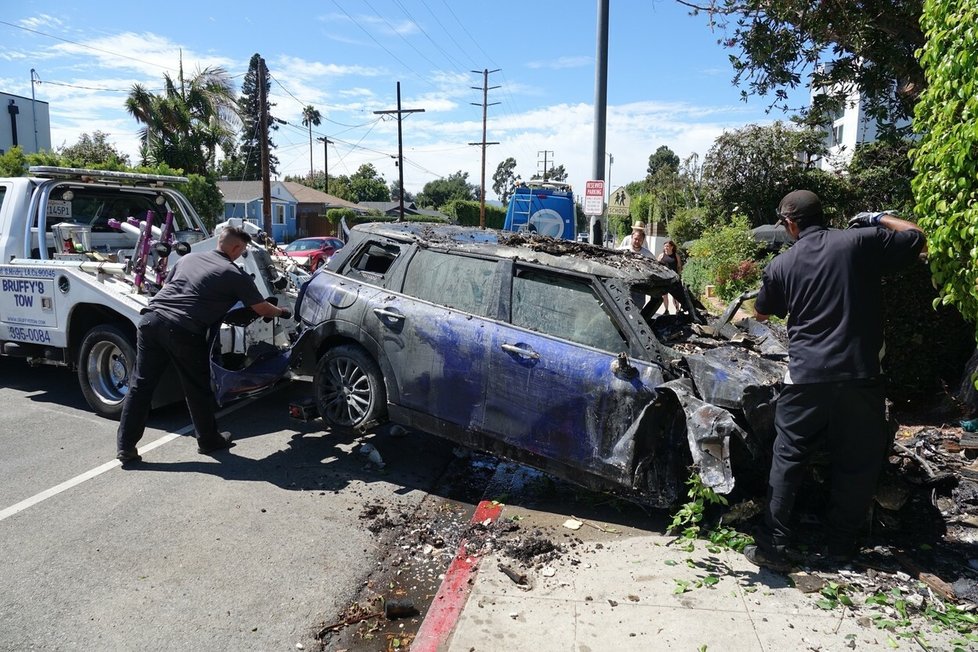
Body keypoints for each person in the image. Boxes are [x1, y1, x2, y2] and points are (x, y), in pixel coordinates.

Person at [742, 190, 926, 572]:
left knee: (788, 457)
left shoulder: (782, 263)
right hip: (861, 376)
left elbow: (761, 313)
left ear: (791, 224)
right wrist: (877, 218)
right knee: (857, 463)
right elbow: (915, 235)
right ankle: (841, 547)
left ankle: (775, 547)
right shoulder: (860, 240)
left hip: (807, 377)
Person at [116, 226, 290, 464]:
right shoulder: (232, 273)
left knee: (141, 386)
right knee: (196, 387)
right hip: (182, 330)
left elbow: (171, 288)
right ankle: (208, 440)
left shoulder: (188, 258)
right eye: (242, 250)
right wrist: (282, 311)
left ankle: (126, 447)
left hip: (151, 320)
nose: (241, 254)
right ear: (236, 247)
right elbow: (260, 307)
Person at [657, 240, 683, 313]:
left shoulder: (676, 256)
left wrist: (679, 276)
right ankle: (666, 310)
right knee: (664, 295)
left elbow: (679, 266)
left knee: (675, 296)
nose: (666, 248)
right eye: (665, 246)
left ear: (672, 247)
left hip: (673, 278)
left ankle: (677, 310)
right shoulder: (661, 255)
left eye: (667, 246)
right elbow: (657, 266)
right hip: (664, 279)